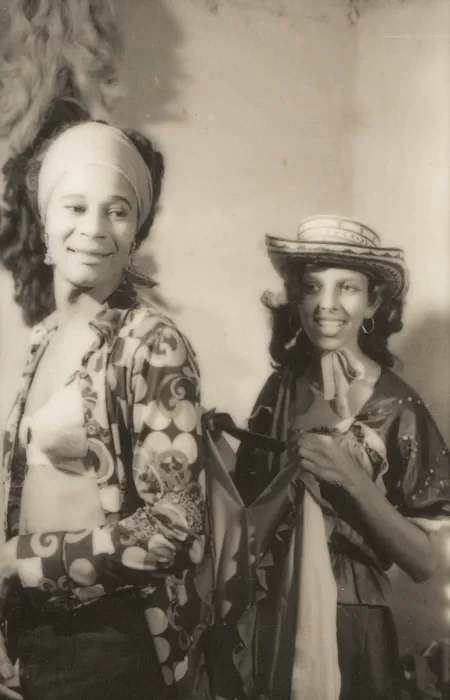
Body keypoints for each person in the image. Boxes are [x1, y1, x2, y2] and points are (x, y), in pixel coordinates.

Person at [0, 120, 208, 700]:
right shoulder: (44, 337)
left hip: (112, 641)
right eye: (75, 207)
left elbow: (177, 528)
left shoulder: (152, 343)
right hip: (32, 634)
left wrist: (20, 562)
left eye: (117, 211)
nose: (93, 229)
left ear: (136, 230)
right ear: (45, 221)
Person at [233, 216, 450, 700]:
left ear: (373, 302)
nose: (326, 304)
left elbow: (422, 563)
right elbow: (245, 511)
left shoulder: (399, 407)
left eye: (347, 287)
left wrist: (351, 477)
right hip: (271, 609)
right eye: (312, 287)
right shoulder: (279, 389)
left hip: (353, 620)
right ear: (297, 298)